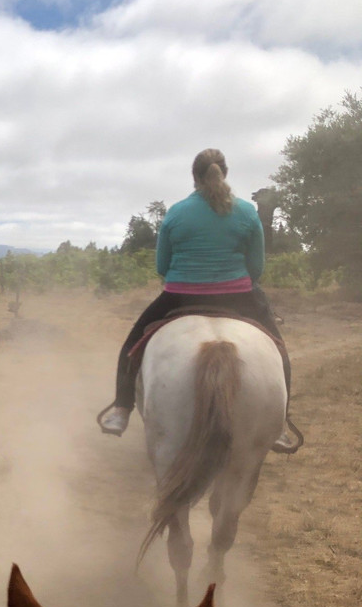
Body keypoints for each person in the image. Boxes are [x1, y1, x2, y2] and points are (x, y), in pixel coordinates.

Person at [99, 148, 295, 450]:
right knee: (279, 353)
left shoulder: (177, 212)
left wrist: (181, 278)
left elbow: (161, 265)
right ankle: (279, 424)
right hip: (239, 296)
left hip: (180, 296)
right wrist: (241, 282)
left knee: (131, 346)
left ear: (194, 177)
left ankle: (121, 410)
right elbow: (257, 266)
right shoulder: (246, 213)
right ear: (224, 173)